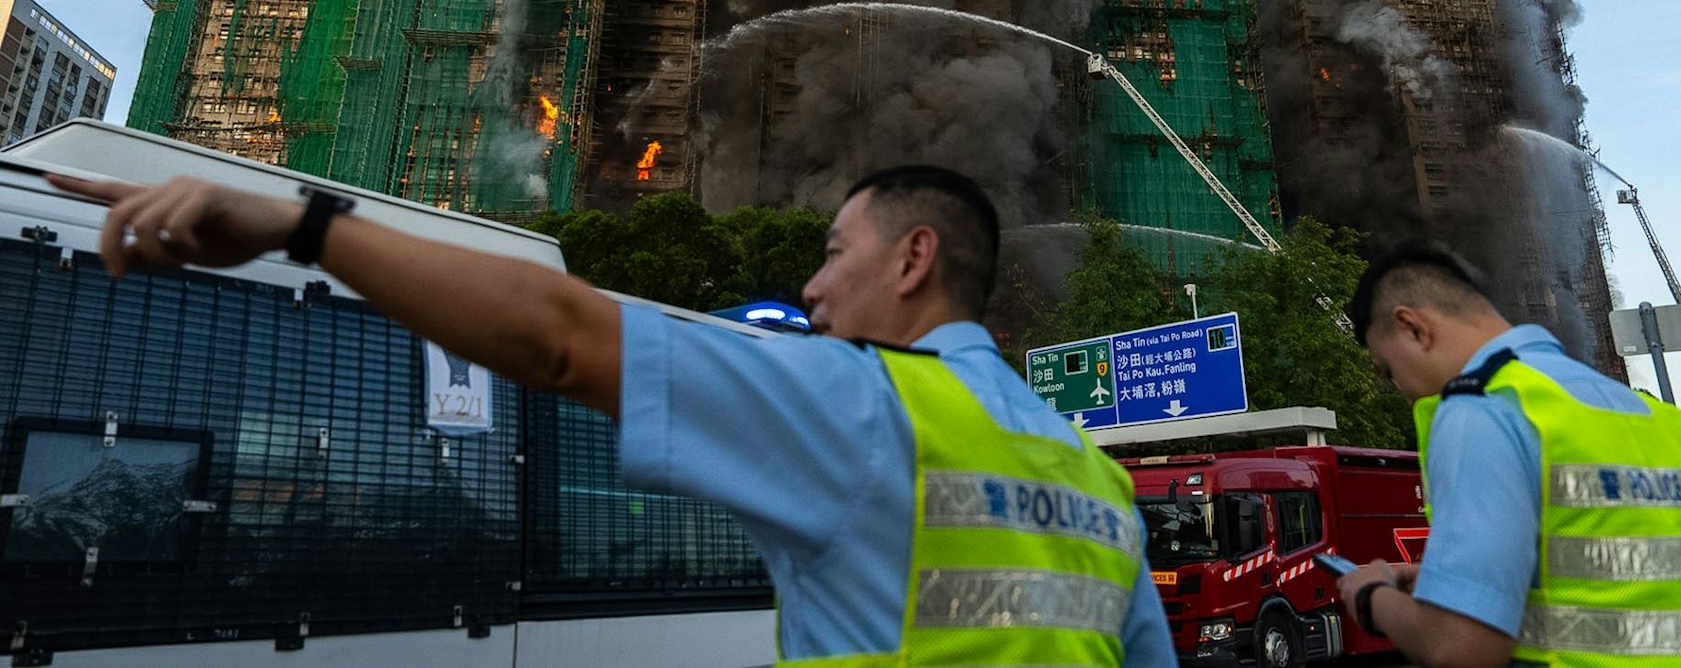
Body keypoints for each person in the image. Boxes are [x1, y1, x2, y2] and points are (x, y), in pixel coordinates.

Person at [51, 164, 1175, 668]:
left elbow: (560, 332)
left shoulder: (863, 399)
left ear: (915, 257)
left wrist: (300, 227)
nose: (816, 287)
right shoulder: (1095, 472)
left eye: (834, 252)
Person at [1333, 244, 1681, 668]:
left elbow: (1459, 648)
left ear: (1413, 328)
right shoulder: (1652, 416)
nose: (1399, 388)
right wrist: (1454, 584)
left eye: (1388, 369)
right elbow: (1612, 574)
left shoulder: (1483, 408)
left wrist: (1370, 596)